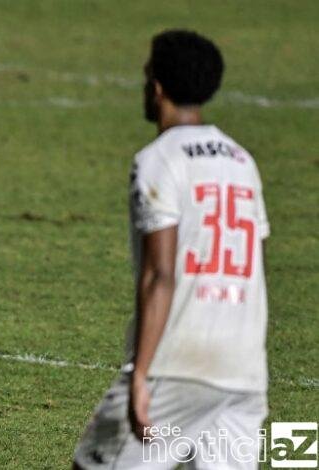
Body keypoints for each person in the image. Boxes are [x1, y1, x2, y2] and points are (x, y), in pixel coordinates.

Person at [74, 30, 270, 468]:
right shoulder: (242, 161)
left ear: (157, 86)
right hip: (243, 371)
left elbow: (160, 274)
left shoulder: (160, 159)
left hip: (178, 366)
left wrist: (141, 375)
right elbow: (254, 264)